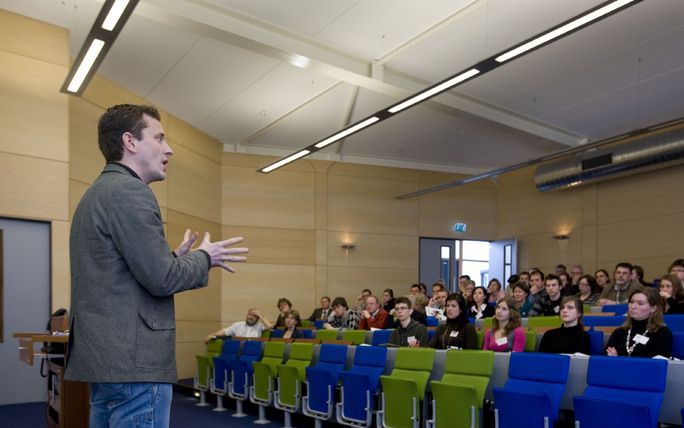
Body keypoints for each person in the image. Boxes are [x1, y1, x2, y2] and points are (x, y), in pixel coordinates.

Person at [65, 104, 248, 428]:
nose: (169, 149)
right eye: (160, 138)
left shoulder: (96, 194)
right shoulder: (131, 192)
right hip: (134, 363)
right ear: (130, 142)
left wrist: (174, 259)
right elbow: (162, 280)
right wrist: (205, 257)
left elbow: (121, 274)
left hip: (105, 361)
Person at [606, 288, 673, 358]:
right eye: (631, 302)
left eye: (640, 303)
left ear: (653, 308)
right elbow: (605, 356)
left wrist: (621, 359)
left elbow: (658, 362)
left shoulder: (662, 333)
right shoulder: (620, 332)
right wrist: (613, 358)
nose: (633, 306)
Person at [205, 308, 271, 342]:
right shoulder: (238, 325)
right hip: (238, 350)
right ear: (247, 315)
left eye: (255, 316)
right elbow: (224, 331)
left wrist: (260, 315)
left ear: (257, 319)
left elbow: (270, 326)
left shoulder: (260, 326)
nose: (251, 317)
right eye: (250, 315)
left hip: (253, 350)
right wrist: (213, 335)